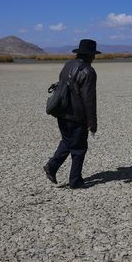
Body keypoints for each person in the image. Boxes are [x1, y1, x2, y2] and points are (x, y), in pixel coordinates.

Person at [44, 39, 99, 188]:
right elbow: (89, 99)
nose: (94, 58)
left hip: (61, 111)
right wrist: (92, 123)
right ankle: (75, 181)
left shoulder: (68, 65)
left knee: (68, 140)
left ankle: (52, 166)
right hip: (76, 115)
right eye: (93, 55)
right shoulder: (88, 71)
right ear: (89, 55)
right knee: (79, 148)